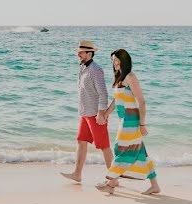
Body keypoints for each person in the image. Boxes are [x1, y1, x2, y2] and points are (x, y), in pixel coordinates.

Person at [97, 49, 160, 195]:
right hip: (123, 119)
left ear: (124, 61)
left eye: (117, 60)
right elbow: (117, 99)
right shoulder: (120, 77)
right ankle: (155, 185)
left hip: (131, 120)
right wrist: (106, 113)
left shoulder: (130, 77)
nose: (115, 63)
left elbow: (142, 101)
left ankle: (111, 183)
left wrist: (142, 124)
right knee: (141, 152)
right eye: (113, 61)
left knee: (120, 148)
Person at [61, 39, 112, 182]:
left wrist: (101, 113)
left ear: (90, 54)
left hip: (95, 114)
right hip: (84, 113)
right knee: (81, 140)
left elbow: (103, 93)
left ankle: (113, 178)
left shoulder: (96, 70)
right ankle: (77, 174)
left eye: (81, 53)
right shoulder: (83, 67)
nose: (78, 55)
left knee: (103, 146)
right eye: (78, 52)